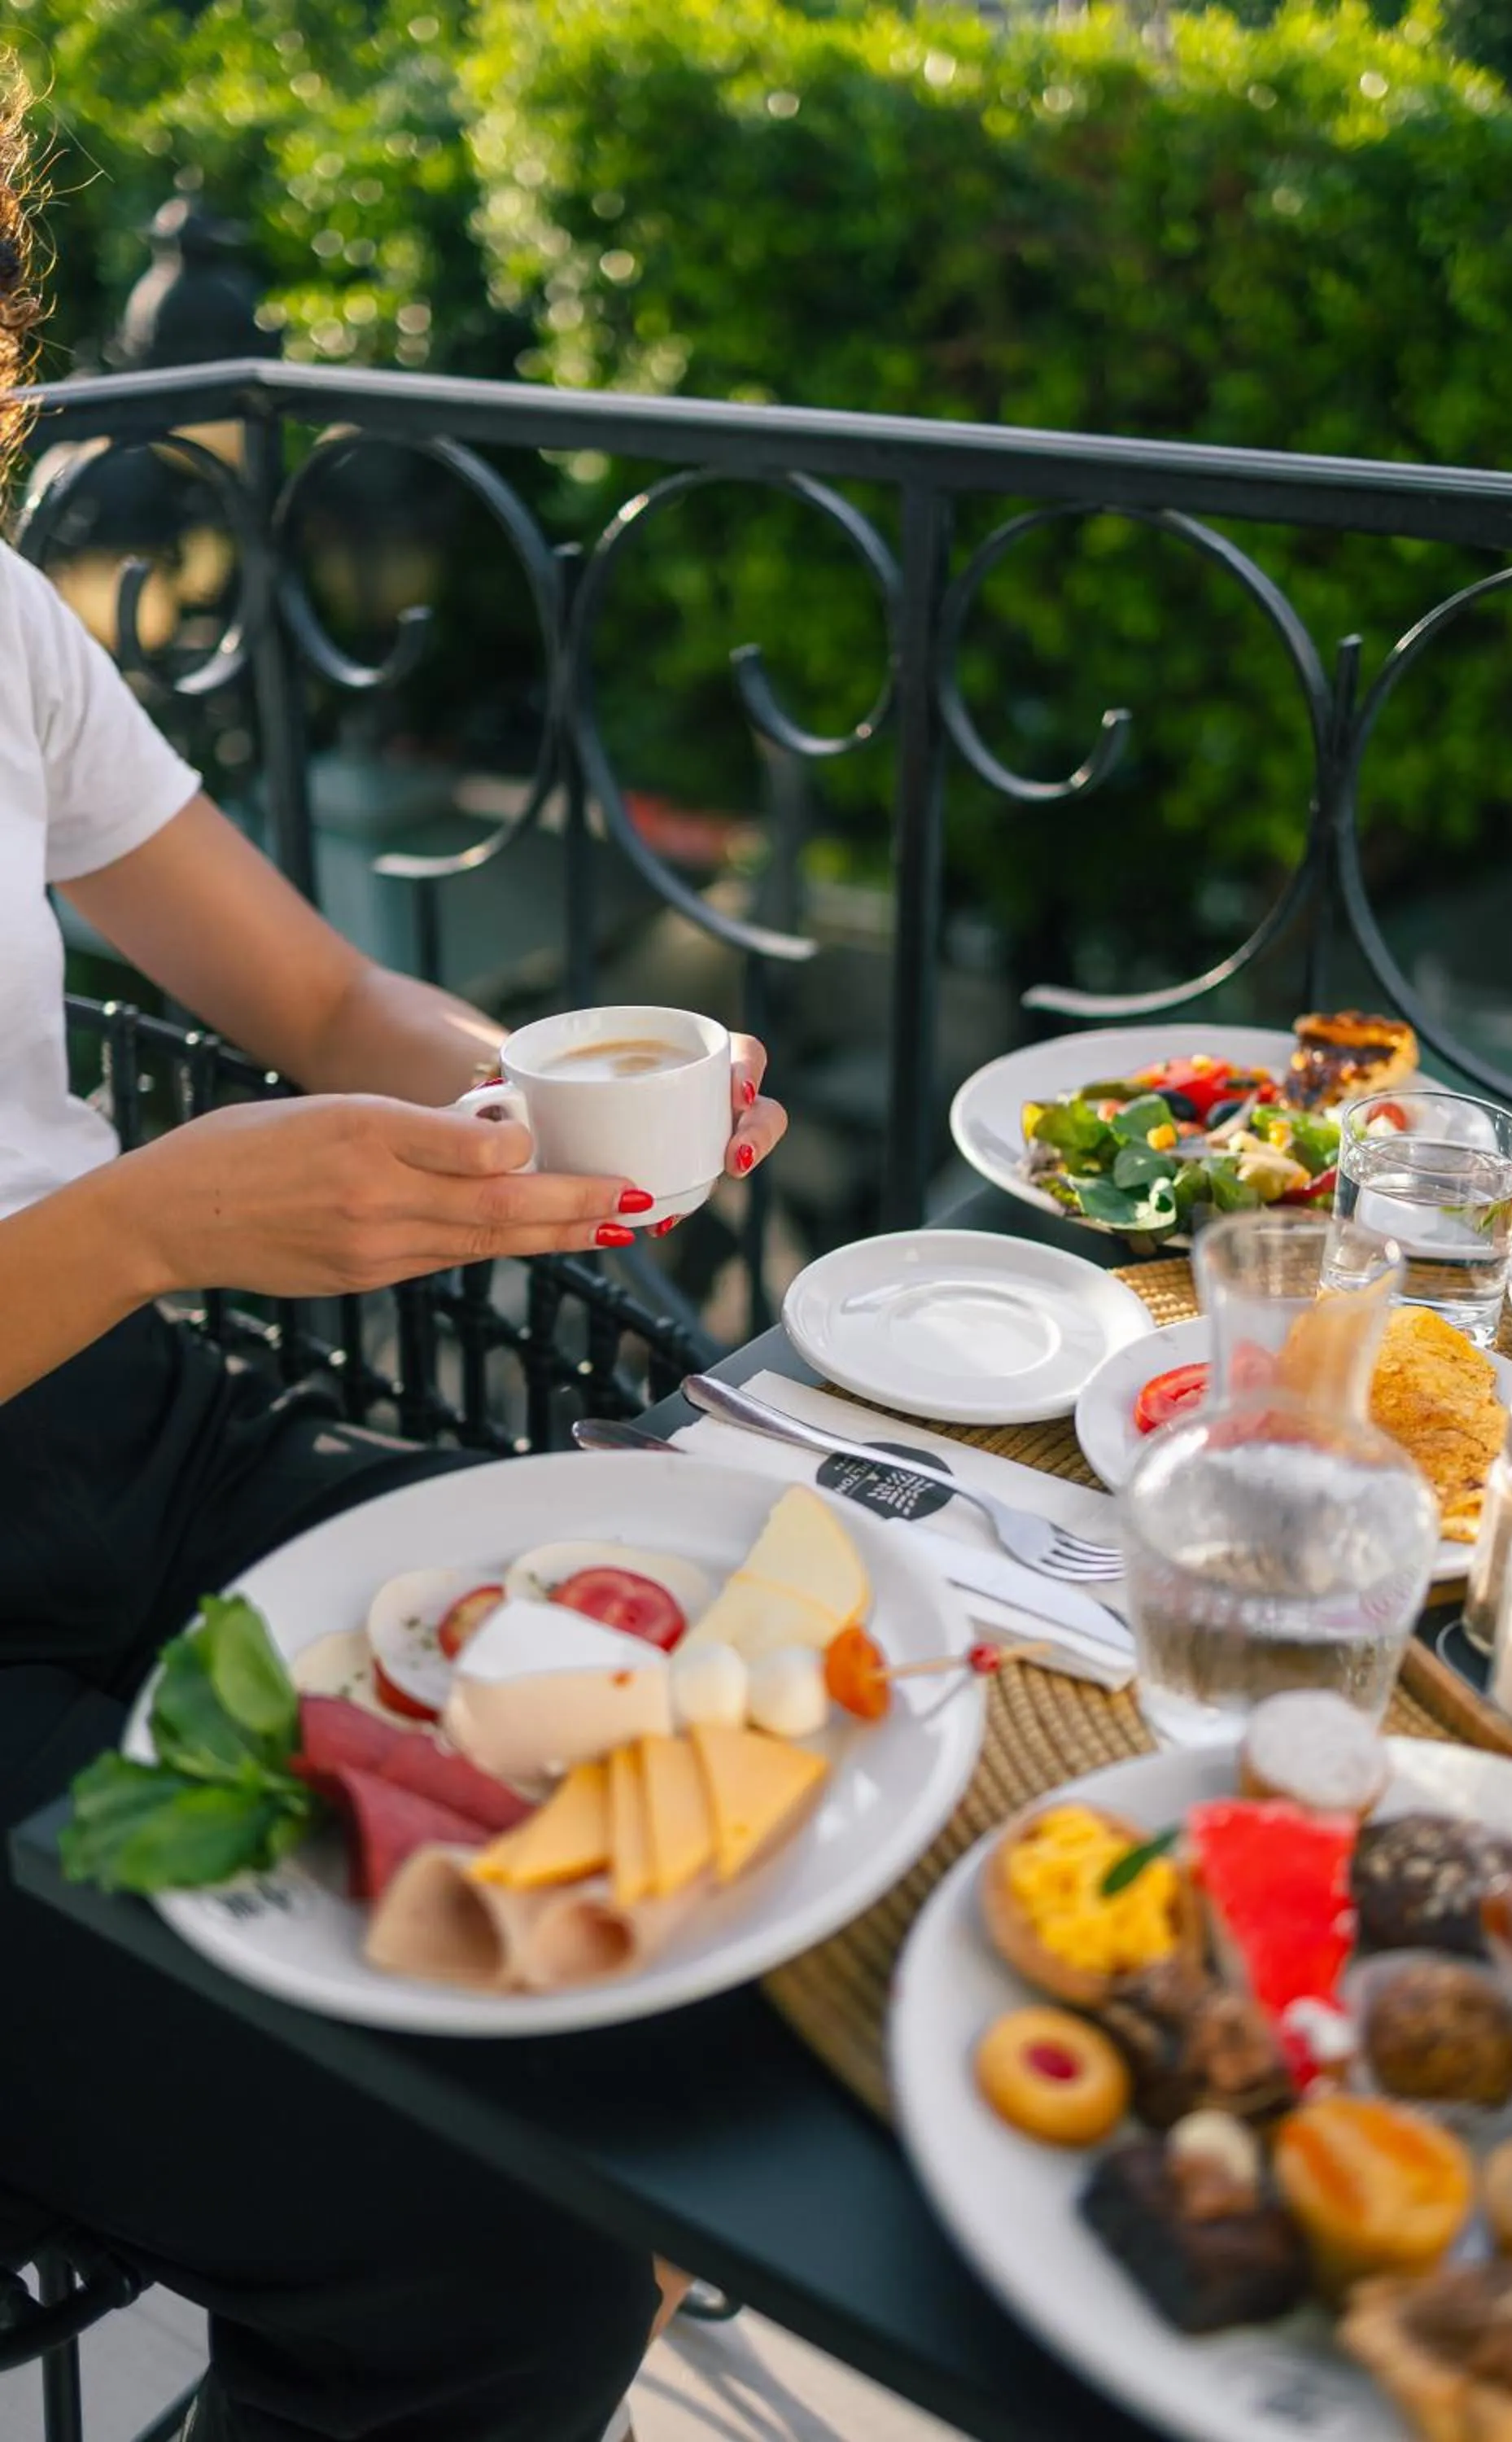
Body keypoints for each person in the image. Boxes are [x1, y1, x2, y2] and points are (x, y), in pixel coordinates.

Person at [0, 66, 785, 2442]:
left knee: (716, 1694)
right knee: (497, 2274)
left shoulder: (3, 630)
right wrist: (157, 1224)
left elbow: (330, 997)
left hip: (117, 1435)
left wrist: (520, 1099)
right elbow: (155, 1209)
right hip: (95, 1353)